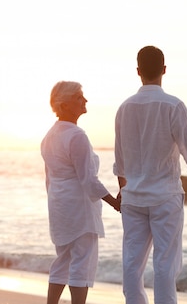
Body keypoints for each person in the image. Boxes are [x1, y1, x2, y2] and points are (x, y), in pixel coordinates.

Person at [113, 46, 187, 304]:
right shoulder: (173, 105)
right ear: (164, 69)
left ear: (138, 72)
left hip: (133, 199)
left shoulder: (124, 108)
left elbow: (120, 161)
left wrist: (123, 191)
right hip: (164, 198)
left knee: (131, 264)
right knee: (165, 265)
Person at [41, 81, 120, 304]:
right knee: (81, 263)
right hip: (79, 208)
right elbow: (88, 180)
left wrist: (56, 203)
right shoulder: (76, 136)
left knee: (62, 260)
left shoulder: (49, 136)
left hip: (59, 205)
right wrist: (115, 202)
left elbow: (49, 179)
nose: (84, 101)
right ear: (64, 105)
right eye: (78, 97)